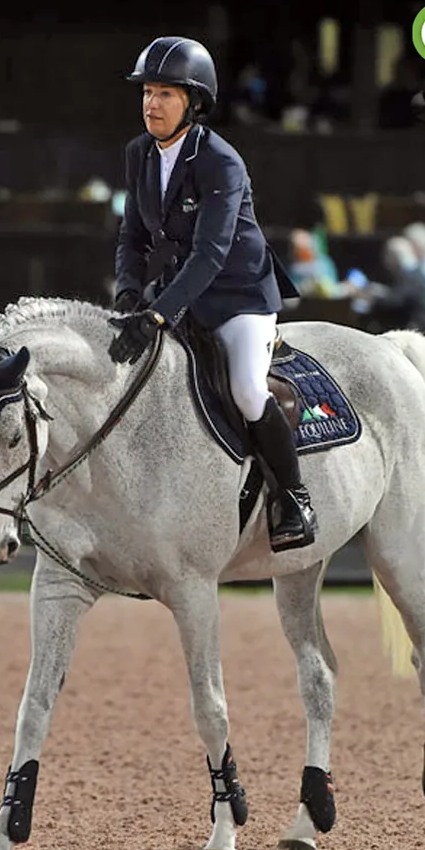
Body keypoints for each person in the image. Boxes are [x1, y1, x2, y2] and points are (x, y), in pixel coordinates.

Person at [108, 36, 316, 552]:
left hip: (238, 295)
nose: (151, 104)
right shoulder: (139, 154)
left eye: (165, 95)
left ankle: (294, 497)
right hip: (181, 289)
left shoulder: (221, 161)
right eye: (147, 93)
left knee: (247, 388)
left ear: (193, 103)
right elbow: (132, 237)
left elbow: (212, 254)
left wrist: (158, 315)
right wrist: (129, 294)